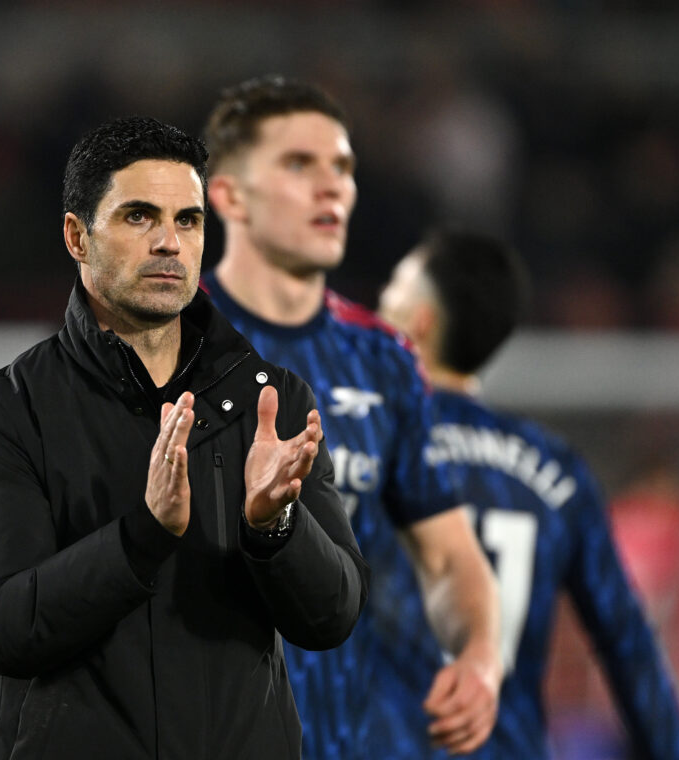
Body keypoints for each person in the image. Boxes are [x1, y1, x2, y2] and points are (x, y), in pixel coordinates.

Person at [0, 116, 368, 760]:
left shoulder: (268, 402)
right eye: (139, 217)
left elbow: (332, 616)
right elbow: (3, 628)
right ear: (76, 237)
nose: (169, 242)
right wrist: (142, 538)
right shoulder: (7, 413)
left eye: (188, 220)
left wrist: (275, 528)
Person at [202, 76, 502, 759]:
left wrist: (481, 655)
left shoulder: (384, 359)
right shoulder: (157, 343)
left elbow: (450, 554)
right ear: (227, 195)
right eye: (299, 165)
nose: (331, 186)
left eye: (342, 167)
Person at [376, 226, 679, 758]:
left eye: (395, 290)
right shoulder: (556, 470)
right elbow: (628, 643)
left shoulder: (369, 446)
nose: (380, 303)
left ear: (419, 322)